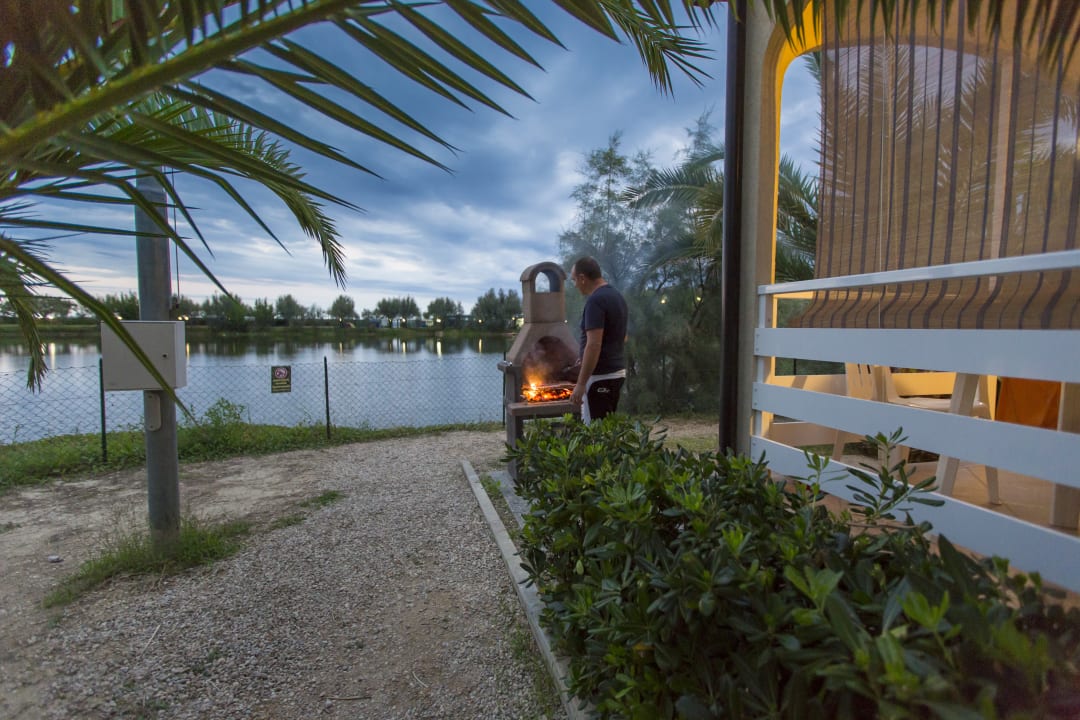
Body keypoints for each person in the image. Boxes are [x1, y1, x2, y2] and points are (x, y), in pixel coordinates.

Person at [568, 256, 628, 423]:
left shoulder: (596, 301)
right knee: (606, 430)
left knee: (595, 434)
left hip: (599, 377)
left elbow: (593, 344)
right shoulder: (617, 297)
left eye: (574, 280)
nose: (574, 285)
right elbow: (622, 336)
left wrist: (580, 384)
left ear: (582, 278)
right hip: (616, 374)